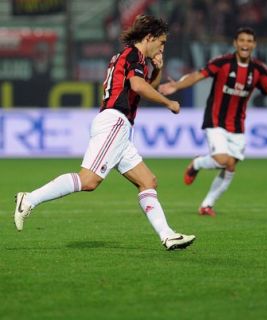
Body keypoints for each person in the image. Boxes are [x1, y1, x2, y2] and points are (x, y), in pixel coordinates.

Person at [13, 15, 195, 251]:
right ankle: (29, 199)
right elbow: (140, 87)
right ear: (149, 38)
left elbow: (145, 87)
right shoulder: (134, 56)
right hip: (115, 121)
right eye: (161, 42)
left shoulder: (129, 56)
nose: (162, 47)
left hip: (119, 126)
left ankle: (168, 235)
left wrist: (157, 68)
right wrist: (169, 103)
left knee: (147, 181)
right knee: (89, 181)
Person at [159, 27, 267, 217]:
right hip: (215, 120)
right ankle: (197, 163)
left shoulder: (258, 70)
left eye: (249, 41)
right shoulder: (223, 62)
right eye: (242, 40)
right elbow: (198, 75)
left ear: (254, 45)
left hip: (237, 125)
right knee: (222, 160)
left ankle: (207, 205)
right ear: (235, 43)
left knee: (231, 166)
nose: (245, 44)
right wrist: (176, 85)